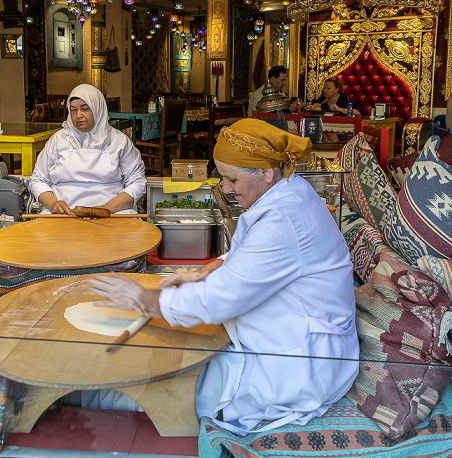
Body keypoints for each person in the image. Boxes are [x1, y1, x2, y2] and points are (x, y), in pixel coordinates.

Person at [87, 118, 359, 435]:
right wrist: (208, 269)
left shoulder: (284, 218)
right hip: (301, 340)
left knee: (134, 392)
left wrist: (145, 300)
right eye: (223, 177)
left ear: (266, 173)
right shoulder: (290, 189)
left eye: (232, 179)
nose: (226, 188)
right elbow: (256, 256)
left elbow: (219, 300)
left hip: (298, 366)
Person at [29, 84, 146, 215]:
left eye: (85, 109)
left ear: (98, 109)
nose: (78, 115)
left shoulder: (119, 141)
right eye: (73, 110)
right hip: (63, 214)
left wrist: (108, 208)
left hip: (112, 213)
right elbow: (38, 179)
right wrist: (53, 204)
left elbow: (137, 181)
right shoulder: (57, 140)